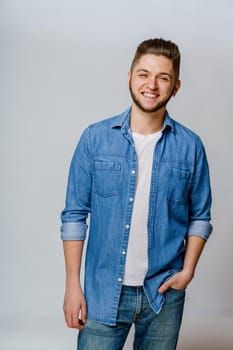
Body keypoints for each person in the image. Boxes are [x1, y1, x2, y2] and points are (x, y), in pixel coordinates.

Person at [60, 38, 212, 350]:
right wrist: (73, 285)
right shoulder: (95, 139)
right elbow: (74, 215)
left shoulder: (190, 146)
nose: (152, 85)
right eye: (144, 74)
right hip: (102, 291)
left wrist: (188, 272)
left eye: (163, 77)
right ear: (129, 77)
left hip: (163, 295)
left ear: (176, 87)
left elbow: (200, 216)